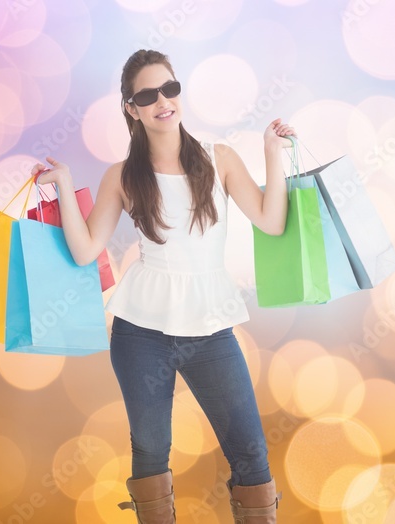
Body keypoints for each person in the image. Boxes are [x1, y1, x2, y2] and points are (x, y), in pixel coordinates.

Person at [31, 49, 293, 523]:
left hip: (211, 329)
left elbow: (272, 222)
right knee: (151, 455)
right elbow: (87, 250)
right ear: (131, 109)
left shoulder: (220, 159)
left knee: (251, 455)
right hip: (141, 333)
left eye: (169, 88)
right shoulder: (124, 176)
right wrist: (66, 187)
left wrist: (273, 154)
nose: (163, 101)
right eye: (147, 95)